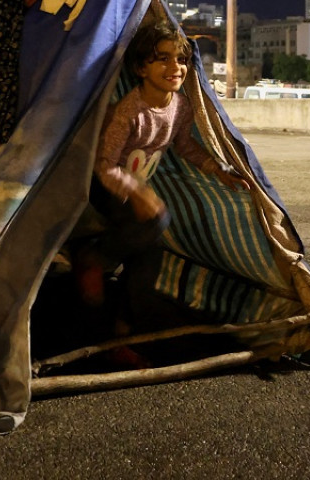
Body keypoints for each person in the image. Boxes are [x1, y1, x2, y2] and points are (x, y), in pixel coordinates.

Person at [77, 18, 249, 314]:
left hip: (133, 186)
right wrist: (137, 192)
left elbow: (184, 147)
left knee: (149, 257)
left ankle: (123, 326)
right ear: (141, 69)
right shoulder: (130, 111)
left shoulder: (180, 107)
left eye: (181, 59)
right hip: (104, 185)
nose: (175, 67)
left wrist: (218, 168)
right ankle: (92, 258)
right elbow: (104, 165)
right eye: (162, 59)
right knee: (158, 219)